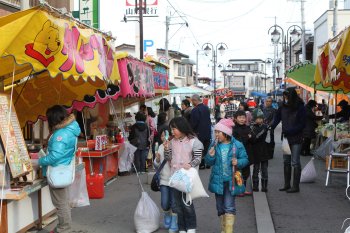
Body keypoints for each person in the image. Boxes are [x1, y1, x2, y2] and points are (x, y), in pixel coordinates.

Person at [38, 105, 81, 233]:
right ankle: (63, 227)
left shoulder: (60, 134)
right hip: (64, 169)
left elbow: (55, 156)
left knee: (61, 204)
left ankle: (64, 229)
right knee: (63, 202)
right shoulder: (69, 129)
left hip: (57, 171)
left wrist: (39, 161)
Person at [205, 118, 249, 233]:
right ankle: (223, 229)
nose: (216, 135)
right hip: (218, 181)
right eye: (215, 132)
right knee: (220, 208)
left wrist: (238, 162)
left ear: (226, 133)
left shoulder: (237, 145)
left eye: (218, 132)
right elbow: (208, 162)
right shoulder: (214, 145)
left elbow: (245, 159)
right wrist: (210, 156)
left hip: (231, 182)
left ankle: (228, 231)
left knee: (229, 206)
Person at [164, 117, 204, 233]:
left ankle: (191, 227)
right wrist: (166, 149)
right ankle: (181, 228)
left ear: (182, 128)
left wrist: (190, 164)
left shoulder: (194, 141)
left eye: (174, 129)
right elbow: (168, 158)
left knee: (187, 204)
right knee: (177, 206)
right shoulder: (171, 142)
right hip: (175, 178)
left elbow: (198, 158)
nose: (172, 132)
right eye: (171, 129)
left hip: (188, 179)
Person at [272, 87, 306, 193]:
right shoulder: (282, 106)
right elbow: (277, 118)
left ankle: (295, 187)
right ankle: (287, 184)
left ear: (291, 96)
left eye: (287, 96)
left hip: (297, 138)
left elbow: (302, 124)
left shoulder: (300, 107)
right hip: (286, 138)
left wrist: (291, 131)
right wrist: (270, 127)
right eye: (284, 96)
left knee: (295, 162)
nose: (285, 98)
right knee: (286, 161)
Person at [154, 129, 178, 232]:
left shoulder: (174, 145)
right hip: (163, 179)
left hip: (174, 179)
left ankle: (174, 222)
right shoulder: (159, 147)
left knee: (174, 203)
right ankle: (167, 215)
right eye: (162, 136)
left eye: (166, 135)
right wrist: (157, 160)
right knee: (164, 203)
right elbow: (156, 165)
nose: (164, 137)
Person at [250, 109, 272, 192]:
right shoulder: (252, 127)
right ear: (254, 119)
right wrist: (263, 131)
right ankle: (255, 186)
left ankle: (264, 186)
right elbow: (253, 139)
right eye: (258, 118)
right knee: (256, 169)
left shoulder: (265, 127)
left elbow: (269, 140)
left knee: (264, 169)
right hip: (255, 151)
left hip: (264, 150)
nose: (259, 120)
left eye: (261, 118)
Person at [232, 110, 252, 196]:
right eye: (240, 117)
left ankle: (243, 188)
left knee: (246, 172)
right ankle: (239, 190)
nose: (242, 119)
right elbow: (237, 141)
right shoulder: (233, 129)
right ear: (235, 119)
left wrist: (250, 137)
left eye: (243, 117)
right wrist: (247, 137)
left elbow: (252, 139)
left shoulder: (248, 128)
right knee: (238, 171)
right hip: (237, 153)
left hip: (247, 153)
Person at [190, 94, 212, 169]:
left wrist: (191, 131)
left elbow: (193, 123)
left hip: (199, 133)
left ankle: (202, 164)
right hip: (207, 132)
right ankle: (207, 162)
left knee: (199, 149)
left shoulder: (195, 110)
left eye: (192, 101)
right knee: (206, 148)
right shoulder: (206, 108)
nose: (192, 103)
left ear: (195, 100)